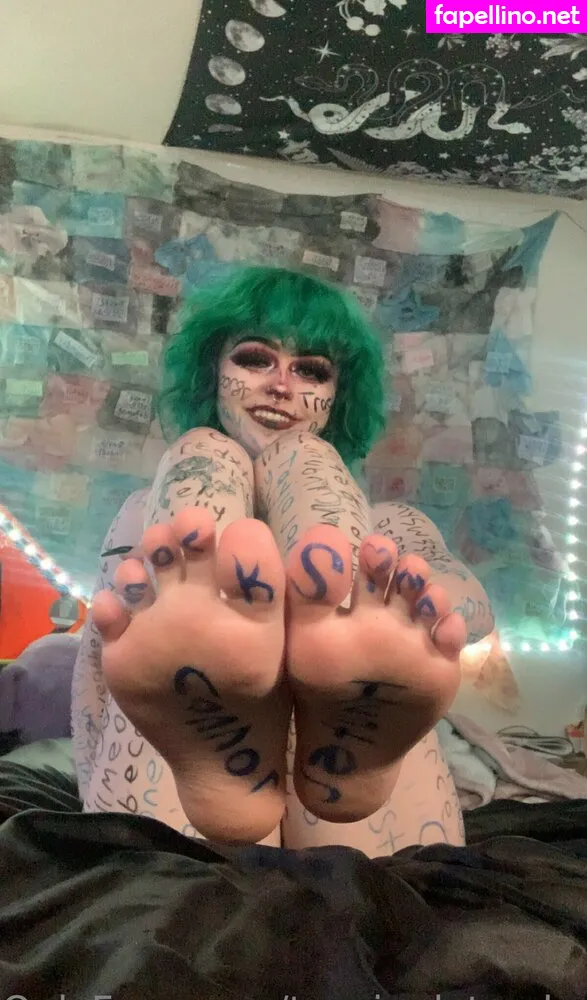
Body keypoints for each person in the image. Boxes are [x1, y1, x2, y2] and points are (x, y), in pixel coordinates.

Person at [72, 265, 493, 854]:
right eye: (255, 359)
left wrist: (420, 612)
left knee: (311, 470)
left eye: (311, 371)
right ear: (212, 373)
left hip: (309, 821)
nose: (281, 385)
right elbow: (98, 669)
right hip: (185, 788)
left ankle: (329, 717)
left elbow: (470, 607)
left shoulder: (388, 524)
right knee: (204, 458)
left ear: (337, 399)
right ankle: (224, 695)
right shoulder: (145, 512)